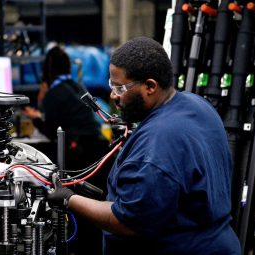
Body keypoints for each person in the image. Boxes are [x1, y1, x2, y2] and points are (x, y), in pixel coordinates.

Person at [46, 37, 240, 254]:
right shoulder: (197, 105)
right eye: (112, 85)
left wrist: (68, 199)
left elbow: (127, 221)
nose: (113, 96)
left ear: (150, 86)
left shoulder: (157, 144)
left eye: (120, 88)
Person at [22, 45, 111, 254]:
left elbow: (52, 129)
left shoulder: (54, 93)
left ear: (47, 70)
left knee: (72, 202)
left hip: (77, 152)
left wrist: (36, 117)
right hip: (96, 149)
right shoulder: (77, 86)